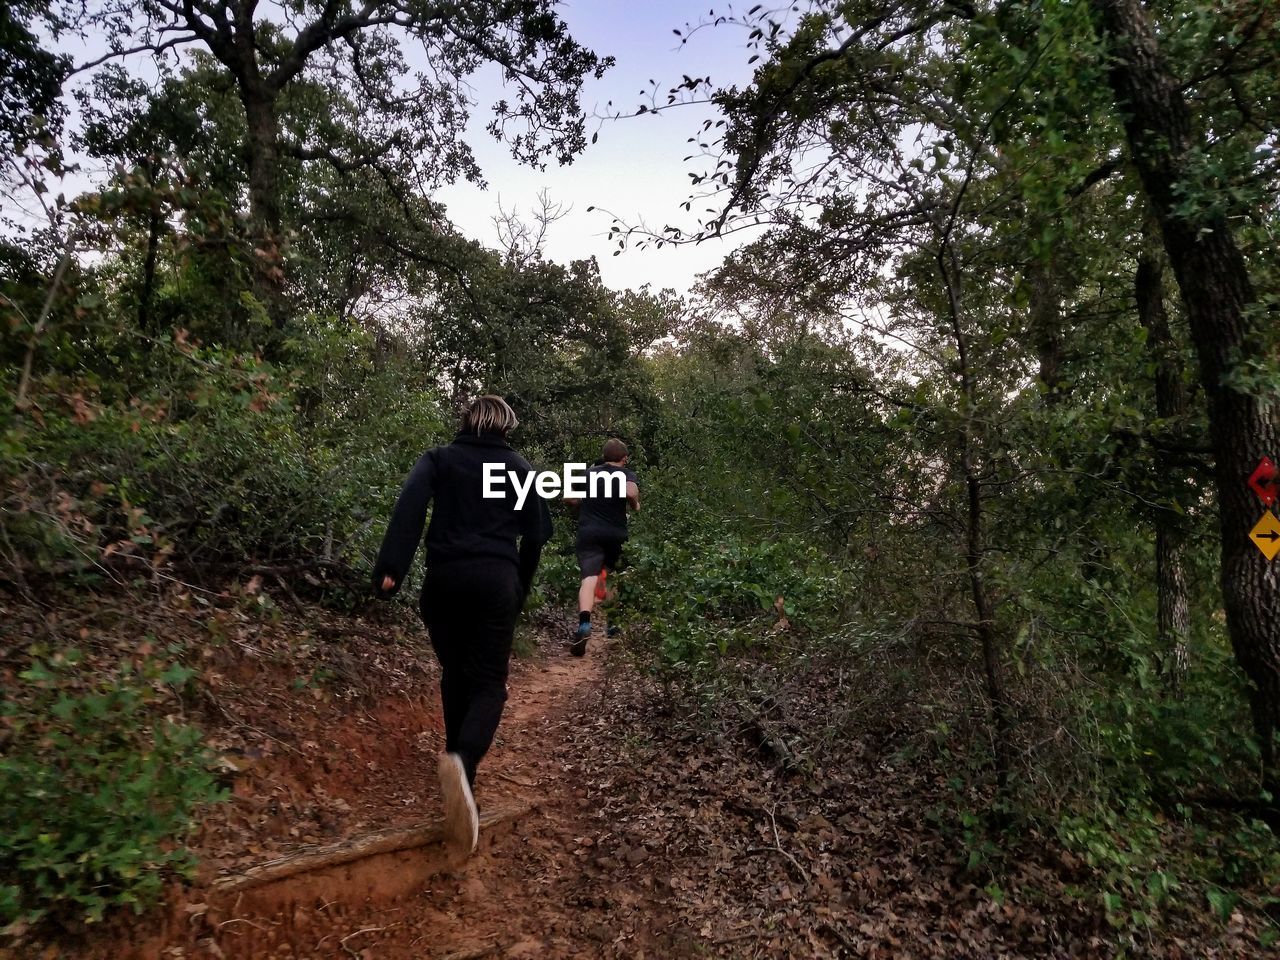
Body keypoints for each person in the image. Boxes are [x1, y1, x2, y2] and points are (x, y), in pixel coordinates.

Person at [371, 396, 552, 859]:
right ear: (506, 427)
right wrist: (520, 587)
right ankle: (463, 762)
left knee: (455, 673)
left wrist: (392, 566)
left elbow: (409, 508)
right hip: (496, 581)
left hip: (444, 580)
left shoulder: (439, 459)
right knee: (489, 684)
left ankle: (459, 777)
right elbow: (535, 536)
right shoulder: (518, 468)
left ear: (466, 421)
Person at [565, 438, 639, 656]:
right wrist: (634, 504)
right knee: (612, 576)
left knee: (589, 577)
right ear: (624, 458)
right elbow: (632, 492)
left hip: (589, 532)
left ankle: (585, 623)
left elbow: (568, 497)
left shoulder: (589, 473)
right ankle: (613, 624)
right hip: (615, 533)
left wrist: (584, 501)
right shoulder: (626, 474)